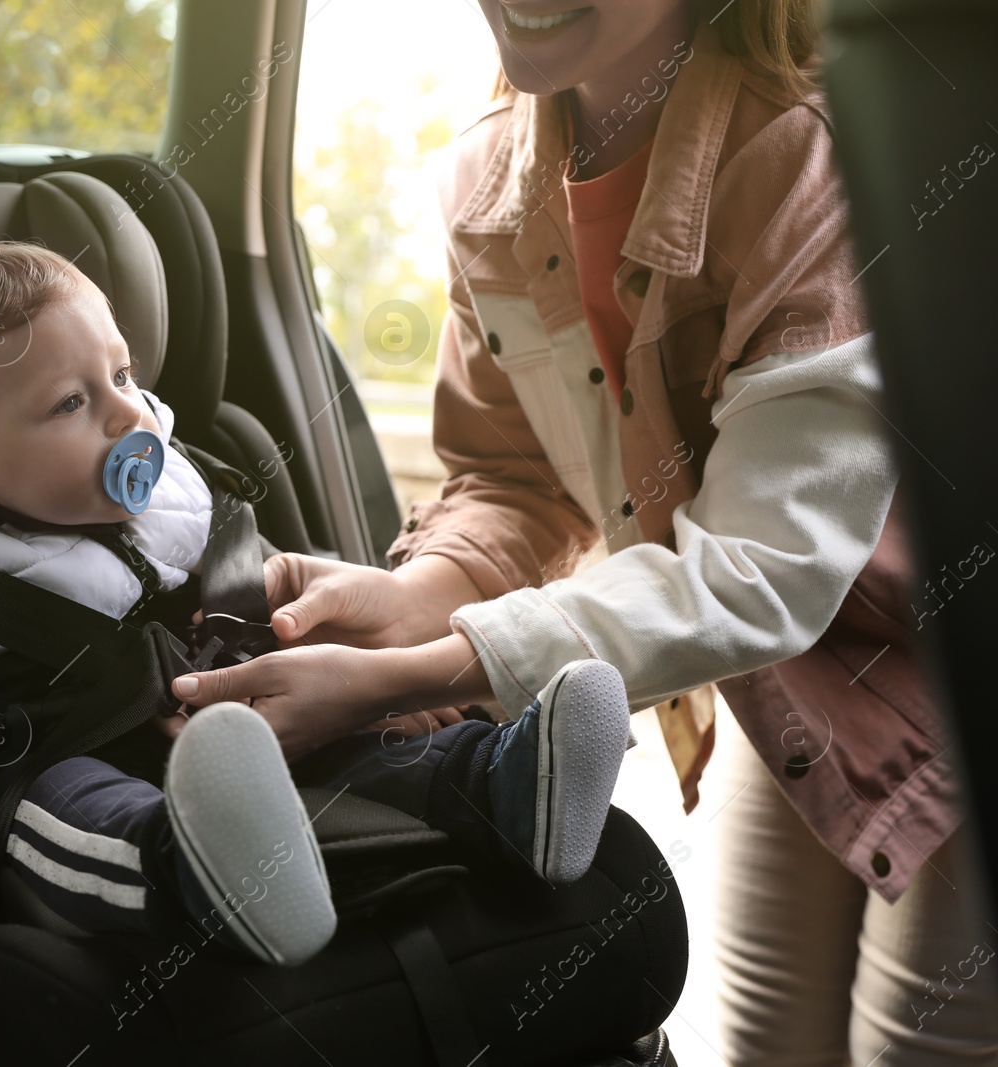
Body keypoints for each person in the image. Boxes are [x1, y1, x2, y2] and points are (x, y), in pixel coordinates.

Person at [167, 0, 998, 1061]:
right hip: (791, 675)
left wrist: (414, 675)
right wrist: (419, 594)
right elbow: (511, 477)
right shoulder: (489, 181)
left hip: (942, 665)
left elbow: (759, 565)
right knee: (764, 1042)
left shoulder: (807, 161)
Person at [0, 241, 632, 970]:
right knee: (68, 812)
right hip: (30, 775)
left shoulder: (188, 501)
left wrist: (347, 679)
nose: (129, 415)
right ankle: (199, 876)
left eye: (122, 373)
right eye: (71, 403)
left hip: (220, 747)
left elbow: (260, 595)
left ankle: (503, 782)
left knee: (358, 744)